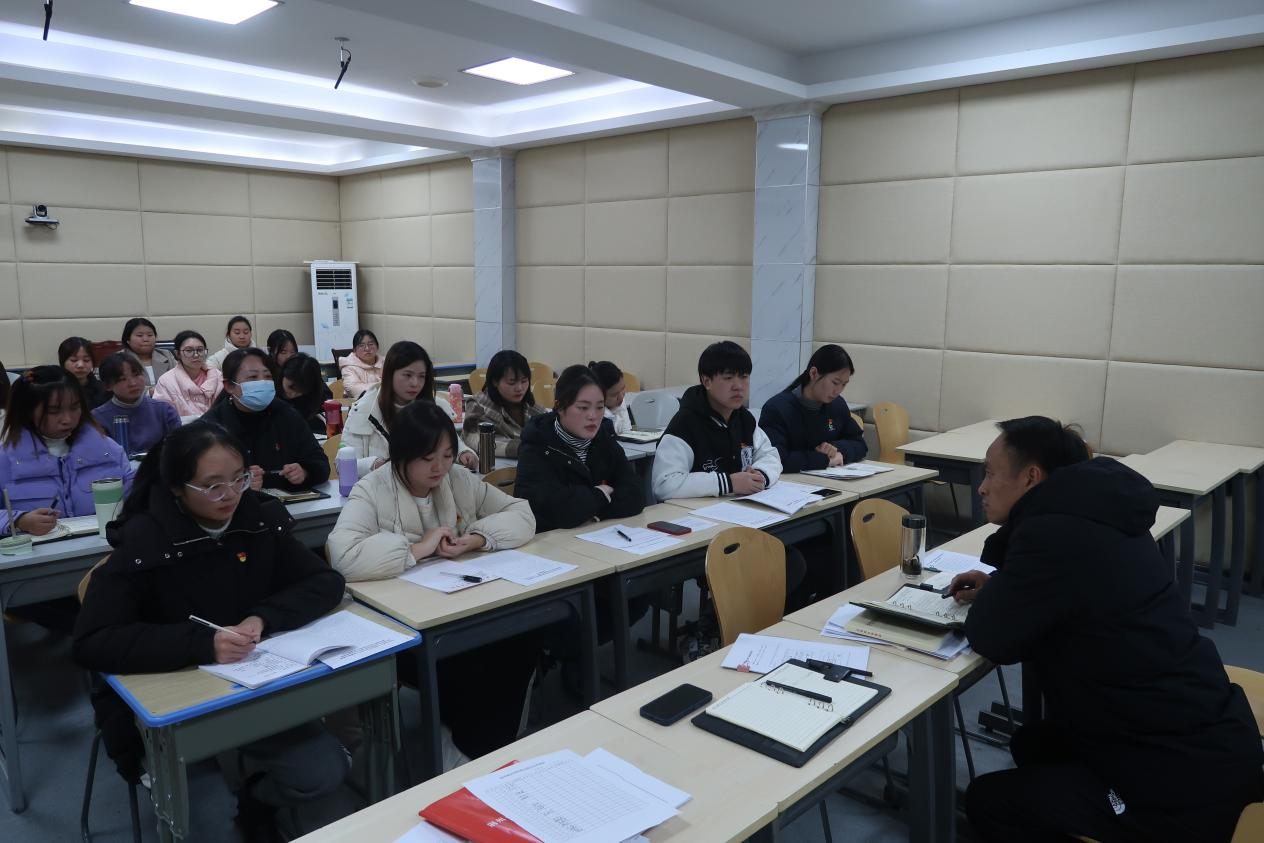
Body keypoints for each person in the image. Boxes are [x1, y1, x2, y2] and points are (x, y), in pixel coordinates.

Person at [947, 417, 1263, 843]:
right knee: (1033, 743)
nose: (981, 488)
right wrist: (1007, 587)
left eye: (990, 473)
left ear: (1031, 477)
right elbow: (1070, 591)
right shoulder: (1098, 513)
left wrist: (1002, 593)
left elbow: (991, 637)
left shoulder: (1049, 533)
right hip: (1202, 732)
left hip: (1179, 785)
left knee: (988, 801)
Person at [72, 422, 350, 841]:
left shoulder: (256, 517)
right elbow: (93, 642)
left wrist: (262, 618)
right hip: (173, 707)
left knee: (323, 772)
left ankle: (257, 799)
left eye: (239, 478)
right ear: (176, 488)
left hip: (255, 689)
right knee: (210, 820)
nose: (230, 495)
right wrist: (203, 644)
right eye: (212, 486)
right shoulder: (143, 541)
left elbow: (324, 581)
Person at [326, 401, 537, 764]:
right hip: (404, 627)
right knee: (473, 659)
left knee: (520, 639)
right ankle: (462, 749)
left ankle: (482, 747)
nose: (439, 467)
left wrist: (476, 539)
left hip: (458, 607)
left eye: (447, 455)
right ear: (401, 456)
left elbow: (521, 513)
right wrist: (417, 549)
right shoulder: (372, 489)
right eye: (427, 458)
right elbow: (342, 555)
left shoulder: (458, 480)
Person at [0, 365, 133, 537]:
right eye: (54, 411)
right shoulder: (6, 459)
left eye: (74, 407)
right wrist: (19, 520)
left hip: (106, 546)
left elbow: (136, 497)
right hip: (42, 551)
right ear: (27, 411)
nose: (67, 419)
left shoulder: (108, 449)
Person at [515, 364, 644, 532]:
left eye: (600, 407)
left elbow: (636, 494)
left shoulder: (604, 439)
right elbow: (554, 511)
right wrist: (600, 494)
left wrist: (590, 510)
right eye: (583, 407)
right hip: (550, 542)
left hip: (596, 535)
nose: (593, 416)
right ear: (560, 407)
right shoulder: (537, 447)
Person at [652, 340, 781, 500]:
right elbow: (664, 485)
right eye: (728, 378)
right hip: (694, 512)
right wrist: (728, 483)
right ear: (707, 381)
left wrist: (760, 475)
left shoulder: (743, 418)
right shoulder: (685, 424)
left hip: (738, 506)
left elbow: (770, 456)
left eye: (744, 377)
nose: (738, 386)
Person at [201, 349, 329, 491]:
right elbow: (198, 483)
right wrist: (237, 483)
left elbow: (320, 462)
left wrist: (305, 471)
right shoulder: (210, 427)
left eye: (268, 376)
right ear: (229, 386)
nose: (262, 382)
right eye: (253, 377)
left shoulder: (287, 415)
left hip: (289, 502)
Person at [343, 341, 476, 476]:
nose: (415, 383)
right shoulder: (363, 410)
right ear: (389, 374)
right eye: (407, 375)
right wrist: (374, 464)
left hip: (429, 487)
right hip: (378, 486)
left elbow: (452, 445)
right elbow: (343, 465)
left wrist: (463, 453)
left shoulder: (435, 408)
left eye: (421, 376)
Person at [759, 344, 866, 473]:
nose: (838, 391)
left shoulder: (837, 405)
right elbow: (776, 458)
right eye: (835, 382)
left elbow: (860, 444)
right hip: (791, 482)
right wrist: (824, 460)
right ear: (814, 373)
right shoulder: (777, 409)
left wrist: (835, 449)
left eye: (844, 384)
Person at [92, 351, 181, 455]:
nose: (133, 383)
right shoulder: (97, 418)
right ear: (108, 386)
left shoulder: (164, 410)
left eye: (136, 375)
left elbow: (178, 447)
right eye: (122, 379)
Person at [462, 350, 546, 459]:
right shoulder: (478, 405)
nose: (519, 388)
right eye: (512, 382)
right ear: (495, 381)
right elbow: (476, 440)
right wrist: (526, 448)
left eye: (524, 381)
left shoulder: (532, 407)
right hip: (495, 466)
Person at [153, 330, 224, 417]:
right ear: (177, 354)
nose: (196, 355)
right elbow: (162, 415)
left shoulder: (218, 376)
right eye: (189, 350)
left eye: (200, 350)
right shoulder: (166, 381)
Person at [280, 354, 332, 435]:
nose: (293, 394)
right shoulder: (272, 395)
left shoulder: (312, 397)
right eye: (291, 387)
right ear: (283, 375)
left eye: (300, 391)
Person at [121, 317, 177, 386]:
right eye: (140, 335)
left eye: (150, 335)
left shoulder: (166, 355)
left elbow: (179, 380)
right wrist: (150, 390)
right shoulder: (119, 359)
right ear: (128, 339)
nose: (146, 339)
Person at [59, 336, 108, 409]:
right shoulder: (56, 389)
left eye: (86, 360)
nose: (81, 365)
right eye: (74, 360)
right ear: (63, 362)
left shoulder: (103, 389)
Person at [588, 360, 632, 435]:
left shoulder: (619, 401)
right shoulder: (594, 415)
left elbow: (627, 432)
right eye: (614, 395)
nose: (621, 397)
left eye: (623, 389)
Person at [338, 330, 382, 400]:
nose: (367, 348)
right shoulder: (348, 367)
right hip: (359, 405)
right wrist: (385, 387)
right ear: (354, 350)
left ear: (377, 346)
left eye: (371, 344)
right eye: (361, 345)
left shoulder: (386, 363)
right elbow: (355, 389)